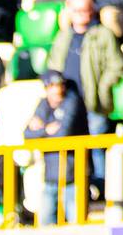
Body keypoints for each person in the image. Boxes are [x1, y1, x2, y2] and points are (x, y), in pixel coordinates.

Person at [47, 0, 123, 189]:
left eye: (85, 10)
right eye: (76, 10)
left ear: (92, 10)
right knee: (72, 149)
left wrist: (103, 87)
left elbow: (116, 65)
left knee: (97, 148)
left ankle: (103, 190)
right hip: (70, 102)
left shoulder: (103, 34)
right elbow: (54, 64)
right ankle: (81, 191)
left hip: (93, 102)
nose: (81, 14)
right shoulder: (64, 36)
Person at [25, 69, 89, 224]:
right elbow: (27, 134)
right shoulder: (43, 104)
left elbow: (63, 134)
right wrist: (47, 129)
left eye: (60, 85)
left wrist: (40, 131)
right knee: (45, 221)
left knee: (77, 222)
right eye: (53, 86)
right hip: (50, 174)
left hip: (73, 173)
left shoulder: (72, 102)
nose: (58, 90)